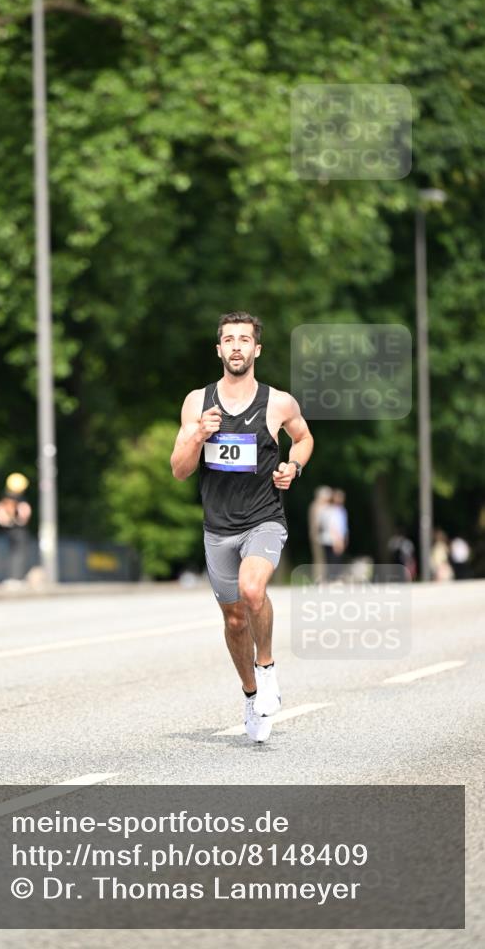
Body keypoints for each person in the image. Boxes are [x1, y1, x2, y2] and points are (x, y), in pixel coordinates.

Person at [170, 311, 314, 743]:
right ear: (219, 350)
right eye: (228, 339)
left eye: (244, 339)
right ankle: (252, 697)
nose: (236, 346)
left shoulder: (278, 402)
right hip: (217, 528)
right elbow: (179, 471)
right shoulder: (197, 402)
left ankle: (267, 670)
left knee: (254, 591)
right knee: (234, 621)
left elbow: (303, 438)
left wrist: (293, 466)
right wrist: (198, 436)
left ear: (257, 349)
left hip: (263, 519)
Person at [0, 473, 32, 584]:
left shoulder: (4, 498)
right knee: (19, 554)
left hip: (9, 530)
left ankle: (13, 577)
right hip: (19, 530)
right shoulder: (20, 500)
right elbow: (24, 514)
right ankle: (17, 578)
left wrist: (6, 522)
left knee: (13, 553)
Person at [308, 486, 332, 582]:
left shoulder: (323, 506)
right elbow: (316, 523)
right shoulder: (316, 506)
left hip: (325, 535)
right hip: (317, 535)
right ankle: (318, 578)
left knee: (325, 557)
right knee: (319, 557)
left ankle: (324, 577)